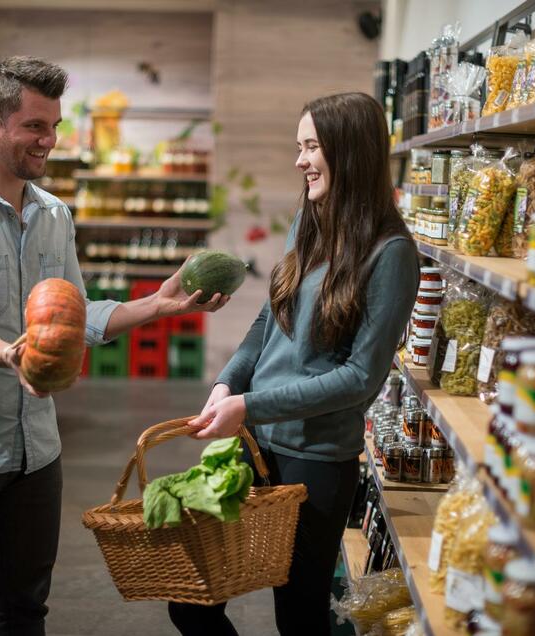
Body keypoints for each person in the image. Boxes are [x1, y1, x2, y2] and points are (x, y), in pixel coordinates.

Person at [0, 56, 228, 636]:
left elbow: (78, 317)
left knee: (25, 613)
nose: (50, 141)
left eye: (54, 125)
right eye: (35, 126)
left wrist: (160, 305)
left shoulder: (53, 215)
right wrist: (9, 353)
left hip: (34, 453)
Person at [168, 92, 419, 635]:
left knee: (299, 619)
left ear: (349, 153)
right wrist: (226, 383)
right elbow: (267, 321)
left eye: (312, 147)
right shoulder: (308, 223)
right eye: (299, 146)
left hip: (316, 463)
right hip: (254, 447)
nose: (300, 160)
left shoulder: (391, 253)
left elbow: (360, 378)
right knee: (190, 600)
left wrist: (249, 403)